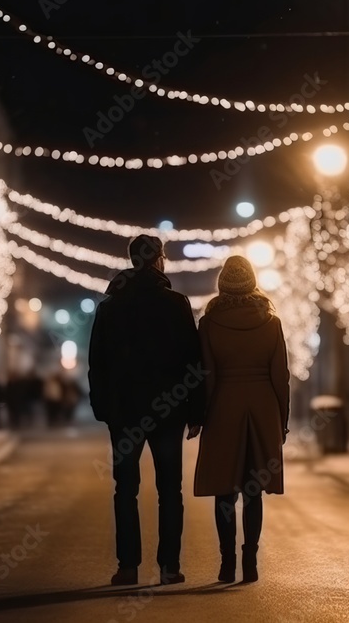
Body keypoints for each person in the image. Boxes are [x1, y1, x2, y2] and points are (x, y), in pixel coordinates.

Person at [88, 235, 204, 587]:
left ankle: (128, 567)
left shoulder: (110, 307)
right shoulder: (176, 303)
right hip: (168, 410)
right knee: (170, 489)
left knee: (126, 489)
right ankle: (169, 566)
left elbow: (98, 363)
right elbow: (193, 361)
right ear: (159, 260)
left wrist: (104, 407)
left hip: (124, 412)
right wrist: (196, 410)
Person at [194, 255, 290, 584]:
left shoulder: (209, 323)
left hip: (223, 408)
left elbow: (205, 375)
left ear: (222, 284)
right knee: (253, 490)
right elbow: (281, 377)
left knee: (224, 490)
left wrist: (199, 416)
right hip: (263, 409)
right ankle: (251, 560)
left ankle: (227, 562)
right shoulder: (271, 322)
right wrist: (283, 418)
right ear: (252, 282)